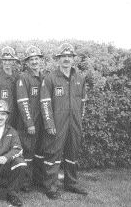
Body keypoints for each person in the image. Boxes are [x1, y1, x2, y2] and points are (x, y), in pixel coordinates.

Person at [40, 42, 88, 199]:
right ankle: (50, 186)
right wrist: (49, 124)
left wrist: (79, 120)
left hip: (74, 124)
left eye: (69, 56)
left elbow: (83, 102)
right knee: (53, 154)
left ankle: (71, 183)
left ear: (73, 59)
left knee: (72, 153)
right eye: (63, 56)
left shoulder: (79, 78)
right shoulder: (50, 78)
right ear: (58, 59)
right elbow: (45, 103)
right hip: (57, 124)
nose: (66, 59)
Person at [16, 45, 46, 192]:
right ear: (26, 63)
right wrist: (29, 123)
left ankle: (38, 180)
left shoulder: (44, 77)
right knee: (27, 152)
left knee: (40, 152)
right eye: (31, 59)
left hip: (42, 123)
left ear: (40, 60)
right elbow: (22, 102)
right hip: (29, 123)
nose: (34, 62)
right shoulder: (24, 77)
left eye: (36, 59)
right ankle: (25, 183)